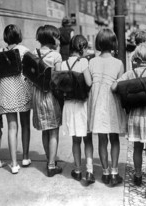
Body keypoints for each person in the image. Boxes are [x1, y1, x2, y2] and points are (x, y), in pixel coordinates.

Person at [112, 43, 146, 199]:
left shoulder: (130, 72)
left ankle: (137, 175)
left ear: (136, 57)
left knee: (137, 148)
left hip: (134, 117)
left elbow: (114, 87)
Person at [87, 28, 126, 186]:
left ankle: (104, 172)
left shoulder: (92, 61)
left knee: (102, 140)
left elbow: (89, 83)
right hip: (112, 105)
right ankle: (115, 173)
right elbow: (120, 85)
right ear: (113, 44)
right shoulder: (118, 63)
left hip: (97, 105)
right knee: (115, 139)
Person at [0, 24, 32, 174]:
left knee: (12, 127)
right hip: (22, 90)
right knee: (25, 125)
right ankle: (25, 157)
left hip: (6, 92)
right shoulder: (24, 51)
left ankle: (14, 163)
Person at [61, 35, 94, 184]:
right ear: (82, 48)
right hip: (82, 105)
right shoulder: (84, 62)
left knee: (75, 140)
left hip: (69, 105)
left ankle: (77, 170)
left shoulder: (63, 64)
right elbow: (89, 82)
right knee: (87, 139)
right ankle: (90, 171)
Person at [32, 25, 62, 177]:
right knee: (54, 130)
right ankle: (52, 164)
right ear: (51, 39)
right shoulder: (56, 56)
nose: (58, 39)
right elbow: (59, 78)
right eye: (56, 37)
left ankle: (48, 159)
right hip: (51, 95)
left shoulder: (33, 54)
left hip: (37, 95)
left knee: (45, 129)